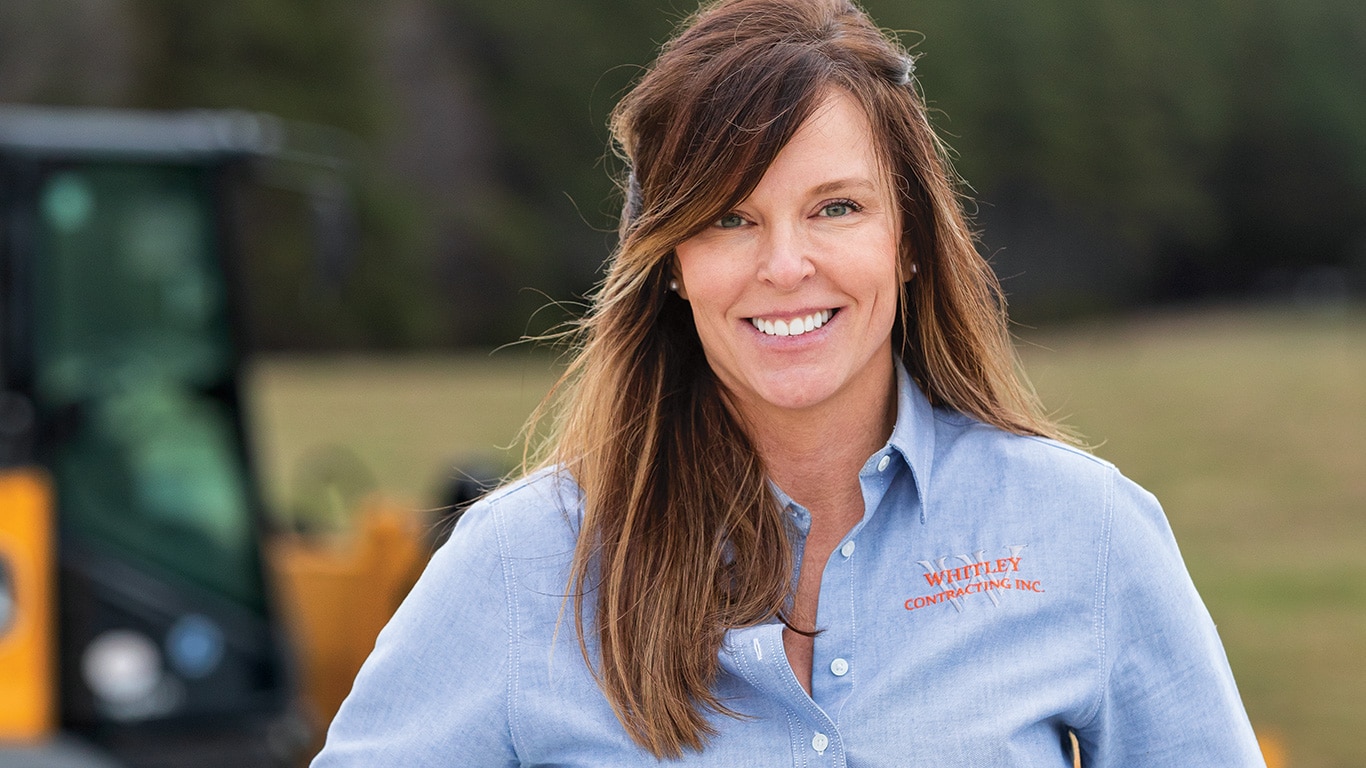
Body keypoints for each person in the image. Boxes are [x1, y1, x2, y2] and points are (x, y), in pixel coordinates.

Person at [312, 0, 1265, 764]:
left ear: (909, 242)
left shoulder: (1083, 531)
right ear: (671, 263)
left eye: (836, 208)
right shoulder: (524, 566)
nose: (785, 265)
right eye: (730, 218)